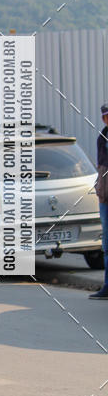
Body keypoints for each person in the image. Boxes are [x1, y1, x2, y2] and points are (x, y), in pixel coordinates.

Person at [90, 103, 108, 299]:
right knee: (107, 246)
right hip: (105, 199)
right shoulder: (102, 138)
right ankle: (107, 286)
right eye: (106, 117)